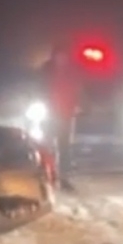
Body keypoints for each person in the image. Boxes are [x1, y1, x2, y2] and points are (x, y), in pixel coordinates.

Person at [40, 47, 82, 191]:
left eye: (64, 56)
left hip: (66, 114)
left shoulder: (72, 72)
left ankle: (64, 177)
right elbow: (38, 88)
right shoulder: (46, 71)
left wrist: (77, 105)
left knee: (64, 147)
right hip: (49, 113)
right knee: (46, 145)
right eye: (59, 56)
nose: (61, 59)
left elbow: (77, 89)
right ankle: (46, 175)